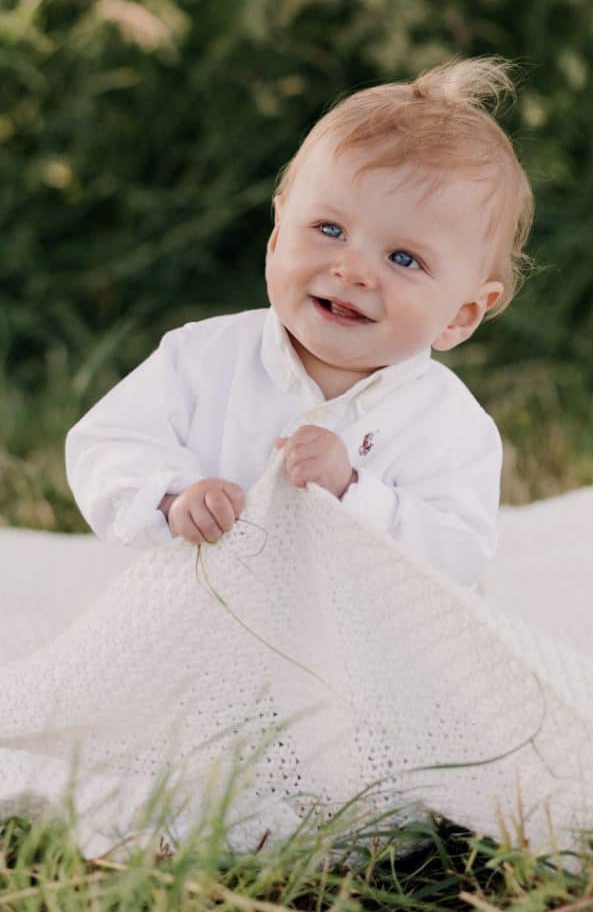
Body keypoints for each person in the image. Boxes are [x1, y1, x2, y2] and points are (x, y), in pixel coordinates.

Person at [65, 57, 533, 589]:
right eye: (329, 228)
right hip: (200, 621)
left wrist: (353, 490)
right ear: (277, 235)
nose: (352, 269)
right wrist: (172, 498)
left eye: (403, 259)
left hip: (350, 653)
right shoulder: (203, 358)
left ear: (461, 315)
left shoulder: (448, 426)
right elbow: (104, 444)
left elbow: (457, 555)